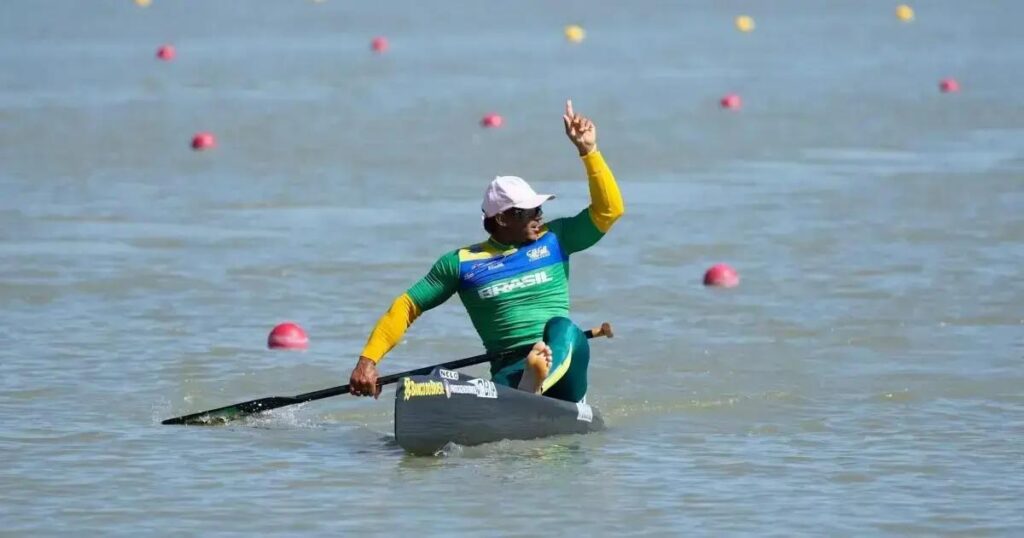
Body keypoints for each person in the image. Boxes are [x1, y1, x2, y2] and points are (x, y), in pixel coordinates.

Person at [348, 100, 624, 402]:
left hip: (564, 374)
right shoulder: (462, 263)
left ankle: (535, 385)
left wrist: (589, 151)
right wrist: (368, 362)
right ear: (503, 218)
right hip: (509, 374)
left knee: (564, 330)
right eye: (529, 211)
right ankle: (526, 386)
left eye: (539, 208)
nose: (539, 216)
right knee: (432, 383)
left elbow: (609, 211)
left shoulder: (556, 239)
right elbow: (406, 306)